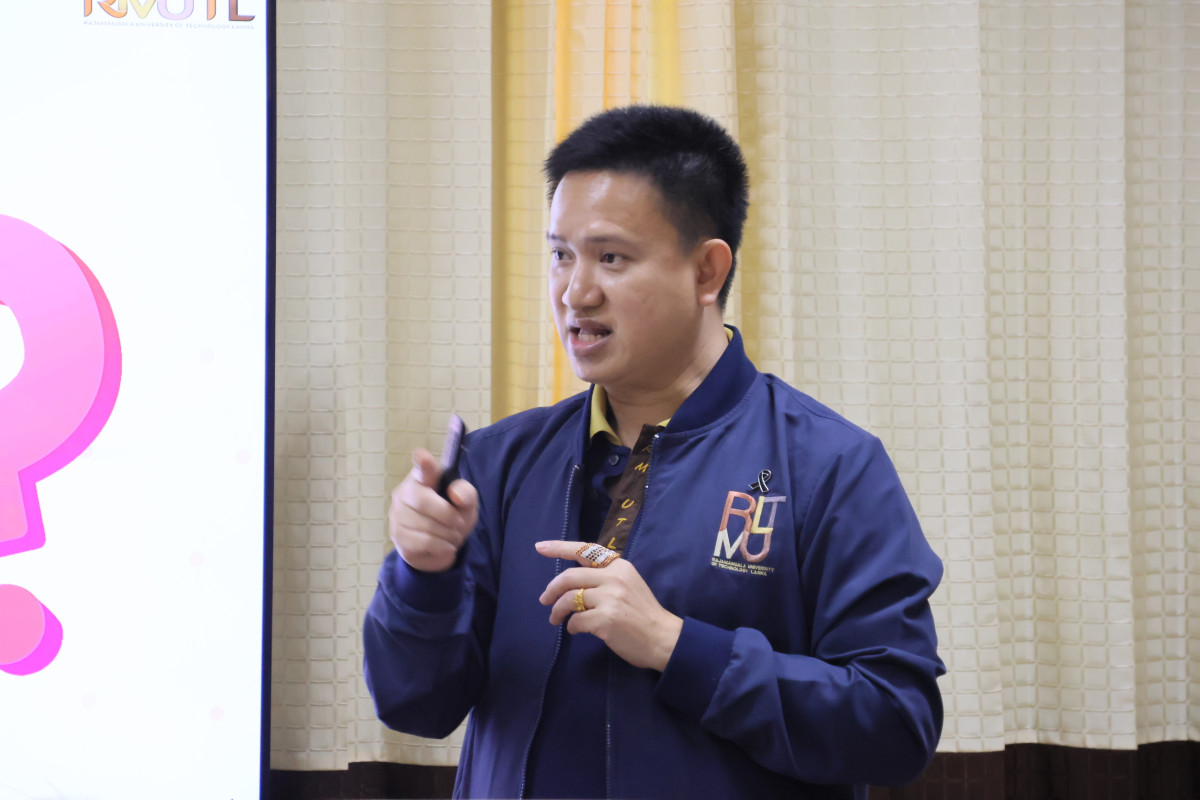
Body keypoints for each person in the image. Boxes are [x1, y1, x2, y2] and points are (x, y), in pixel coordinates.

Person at [364, 105, 945, 800]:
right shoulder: (499, 462)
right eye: (561, 254)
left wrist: (676, 646)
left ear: (706, 271)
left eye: (610, 257)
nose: (575, 292)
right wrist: (423, 575)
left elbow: (896, 723)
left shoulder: (828, 465)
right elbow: (414, 705)